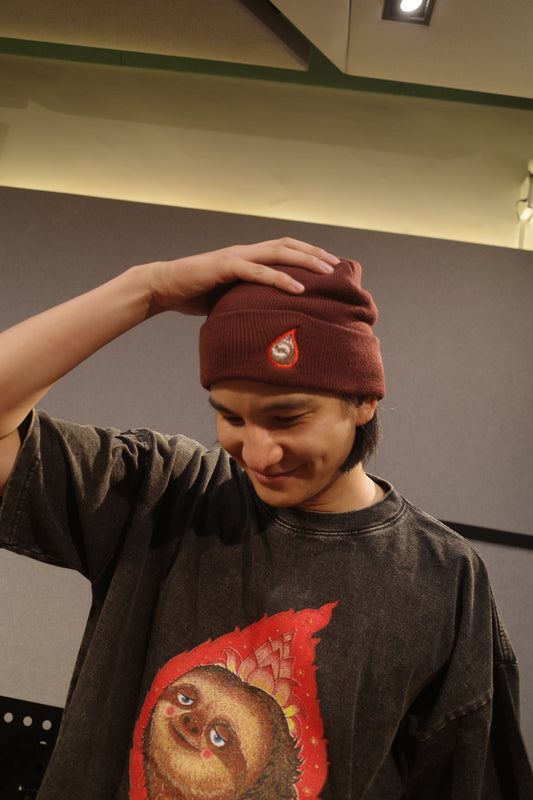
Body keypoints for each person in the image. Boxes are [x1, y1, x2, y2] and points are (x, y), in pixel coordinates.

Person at [0, 237, 531, 800]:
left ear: (363, 401)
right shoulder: (163, 492)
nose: (257, 454)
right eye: (231, 418)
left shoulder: (444, 578)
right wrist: (148, 288)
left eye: (287, 418)